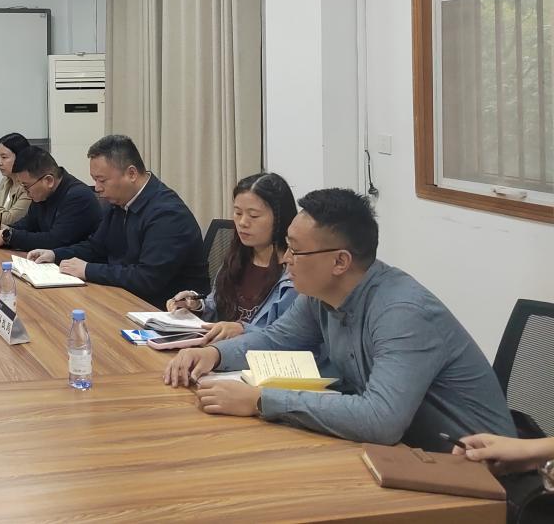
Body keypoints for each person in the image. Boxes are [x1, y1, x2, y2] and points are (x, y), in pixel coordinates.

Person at [164, 188, 516, 451]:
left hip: (475, 473)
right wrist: (215, 354)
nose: (285, 259)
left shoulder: (403, 313)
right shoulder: (320, 295)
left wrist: (259, 400)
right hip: (397, 452)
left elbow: (381, 419)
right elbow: (276, 338)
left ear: (340, 262)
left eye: (296, 250)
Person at [27, 134, 208, 308]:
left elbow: (147, 279)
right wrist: (55, 254)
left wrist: (88, 270)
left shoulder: (167, 214)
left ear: (131, 174)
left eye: (102, 180)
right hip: (126, 299)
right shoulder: (120, 203)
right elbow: (96, 248)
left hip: (166, 312)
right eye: (94, 180)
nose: (97, 188)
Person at [165, 172, 298, 343]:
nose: (242, 222)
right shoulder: (237, 257)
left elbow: (288, 336)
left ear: (280, 219)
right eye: (237, 213)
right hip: (217, 348)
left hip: (255, 355)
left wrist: (242, 330)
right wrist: (196, 304)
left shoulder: (293, 272)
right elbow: (217, 306)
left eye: (253, 215)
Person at [0, 145, 102, 251]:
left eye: (26, 186)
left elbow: (55, 241)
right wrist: (8, 228)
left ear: (48, 181)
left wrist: (9, 236)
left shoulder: (78, 197)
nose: (25, 192)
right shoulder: (43, 193)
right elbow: (28, 224)